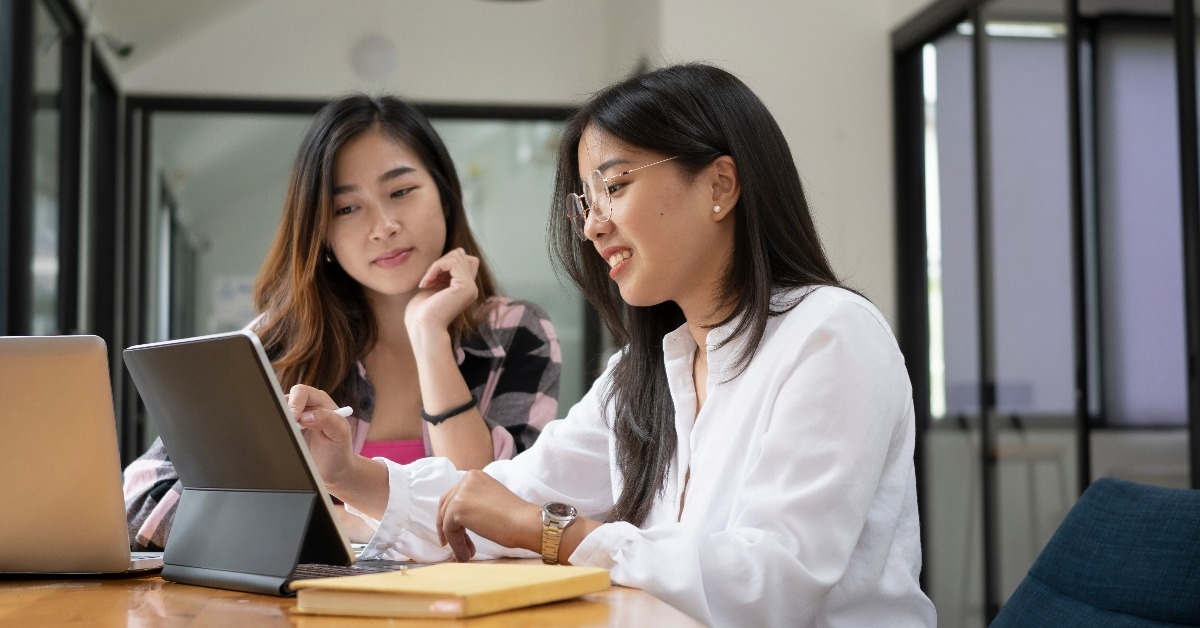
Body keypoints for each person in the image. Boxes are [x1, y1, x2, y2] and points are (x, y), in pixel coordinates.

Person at [289, 64, 936, 627]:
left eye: (616, 186)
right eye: (586, 200)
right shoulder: (644, 370)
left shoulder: (830, 335)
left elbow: (768, 585)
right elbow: (500, 498)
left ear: (720, 186)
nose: (593, 226)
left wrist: (552, 533)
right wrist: (347, 473)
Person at [123, 94, 562, 551]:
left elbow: (496, 518)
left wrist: (429, 335)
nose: (384, 225)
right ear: (322, 234)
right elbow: (140, 500)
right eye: (347, 208)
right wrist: (343, 524)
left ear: (446, 196)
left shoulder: (517, 333)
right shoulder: (278, 344)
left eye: (401, 191)